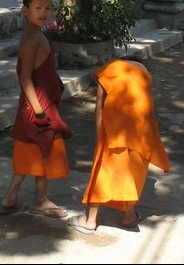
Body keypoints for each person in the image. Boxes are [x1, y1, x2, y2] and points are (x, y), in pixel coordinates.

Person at [68, 58, 170, 234]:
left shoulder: (108, 70)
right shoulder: (143, 70)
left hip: (117, 129)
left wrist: (100, 137)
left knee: (103, 170)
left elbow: (100, 108)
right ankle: (129, 216)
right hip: (142, 127)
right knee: (134, 171)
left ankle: (90, 220)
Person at [1, 0, 72, 217]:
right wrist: (39, 110)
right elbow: (25, 77)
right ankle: (40, 199)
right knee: (41, 148)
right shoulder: (31, 38)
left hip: (41, 103)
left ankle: (12, 197)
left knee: (33, 150)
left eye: (48, 8)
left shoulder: (39, 34)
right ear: (25, 10)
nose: (43, 13)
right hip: (37, 105)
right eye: (38, 8)